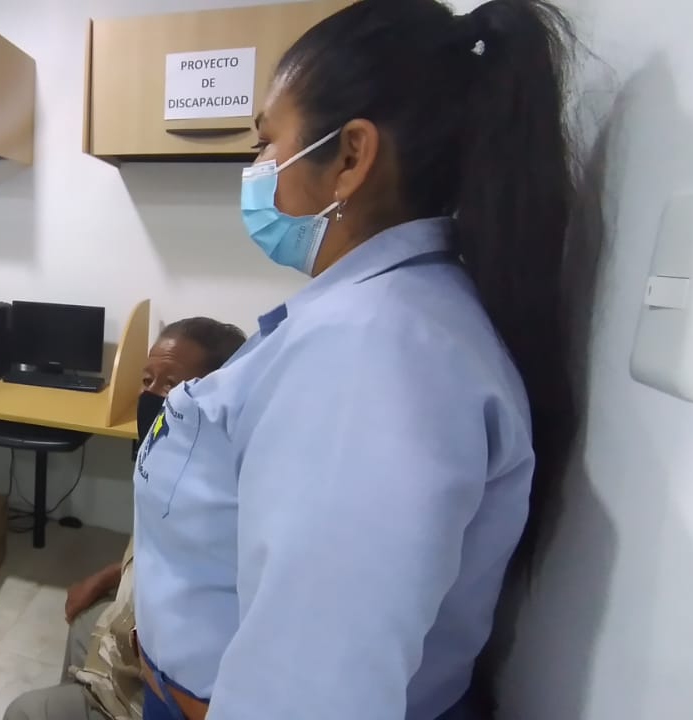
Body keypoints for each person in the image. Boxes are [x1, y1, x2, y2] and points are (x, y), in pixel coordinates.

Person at [132, 1, 579, 719]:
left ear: (348, 158)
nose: (256, 168)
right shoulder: (386, 318)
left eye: (267, 141)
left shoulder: (373, 358)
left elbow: (311, 692)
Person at [4, 318, 247, 720]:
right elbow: (155, 552)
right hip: (131, 641)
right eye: (147, 380)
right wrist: (107, 577)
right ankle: (84, 691)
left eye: (171, 385)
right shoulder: (167, 466)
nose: (151, 395)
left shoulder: (225, 504)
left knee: (27, 712)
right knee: (85, 623)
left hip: (159, 688)